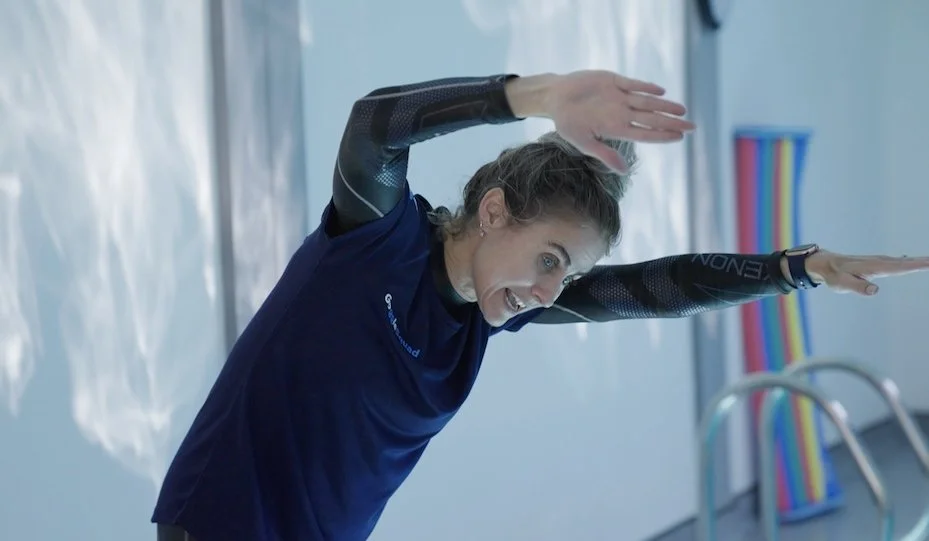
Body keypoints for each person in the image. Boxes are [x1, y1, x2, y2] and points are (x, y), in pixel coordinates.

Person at [151, 70, 929, 541]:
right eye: (551, 259)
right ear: (493, 211)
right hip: (222, 517)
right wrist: (538, 95)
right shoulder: (376, 240)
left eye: (570, 273)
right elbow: (372, 125)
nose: (552, 290)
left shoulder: (487, 313)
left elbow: (659, 287)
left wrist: (797, 268)